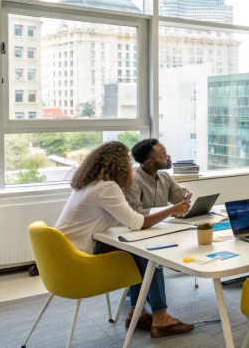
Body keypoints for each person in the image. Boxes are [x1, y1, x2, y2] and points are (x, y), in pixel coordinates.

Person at [54, 142, 195, 339]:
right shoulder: (107, 188)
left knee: (137, 256)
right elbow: (137, 222)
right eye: (127, 162)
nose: (130, 166)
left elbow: (126, 219)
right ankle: (160, 318)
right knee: (149, 258)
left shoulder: (90, 184)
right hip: (80, 260)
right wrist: (172, 210)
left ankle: (137, 314)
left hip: (63, 257)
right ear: (119, 164)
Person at [124, 139, 192, 216]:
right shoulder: (132, 180)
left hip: (163, 225)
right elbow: (136, 212)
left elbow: (178, 200)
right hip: (141, 226)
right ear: (150, 162)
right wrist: (170, 210)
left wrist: (185, 197)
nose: (168, 157)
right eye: (163, 154)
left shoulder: (165, 176)